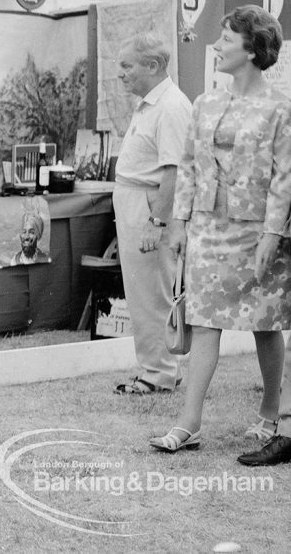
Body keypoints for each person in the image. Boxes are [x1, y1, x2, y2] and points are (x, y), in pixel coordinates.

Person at [150, 5, 291, 453]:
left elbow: (286, 177)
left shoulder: (280, 108)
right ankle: (189, 423)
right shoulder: (206, 102)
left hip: (257, 232)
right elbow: (189, 166)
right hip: (209, 228)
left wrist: (273, 234)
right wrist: (180, 221)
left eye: (227, 40)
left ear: (252, 50)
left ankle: (270, 414)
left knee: (264, 324)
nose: (217, 46)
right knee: (203, 322)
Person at [111, 34, 193, 396]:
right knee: (143, 292)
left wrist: (156, 221)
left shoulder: (171, 106)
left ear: (153, 66)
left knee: (151, 293)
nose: (121, 74)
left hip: (148, 206)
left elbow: (174, 172)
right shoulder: (150, 104)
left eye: (127, 66)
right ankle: (158, 369)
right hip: (136, 202)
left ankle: (158, 373)